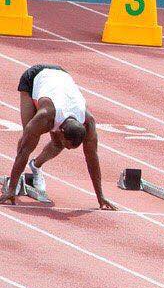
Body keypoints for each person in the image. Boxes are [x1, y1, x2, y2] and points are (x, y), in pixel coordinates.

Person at [0, 65, 115, 210]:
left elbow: (92, 158)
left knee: (58, 144)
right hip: (34, 78)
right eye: (68, 144)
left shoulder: (88, 122)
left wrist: (100, 196)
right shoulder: (45, 116)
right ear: (60, 130)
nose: (68, 149)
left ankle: (36, 165)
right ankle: (16, 181)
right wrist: (11, 189)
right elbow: (24, 151)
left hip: (62, 77)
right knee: (27, 138)